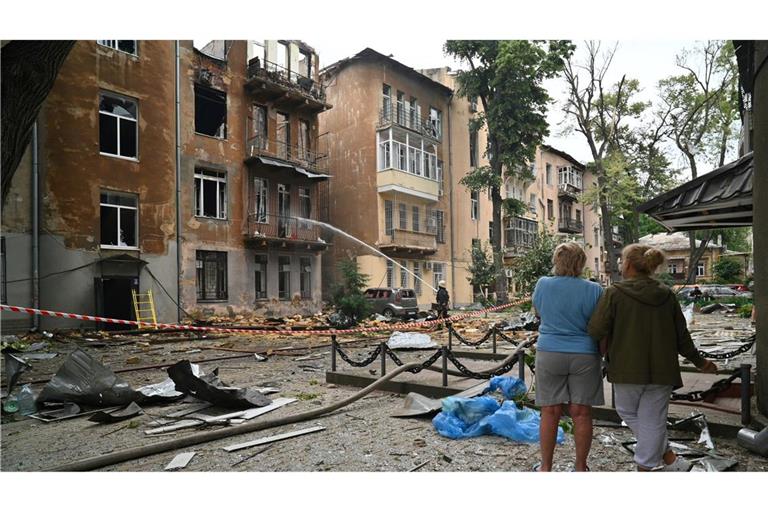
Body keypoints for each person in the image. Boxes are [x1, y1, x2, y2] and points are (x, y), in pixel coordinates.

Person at [588, 244, 717, 472]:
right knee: (653, 419)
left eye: (621, 260)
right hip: (662, 370)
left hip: (626, 368)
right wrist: (701, 362)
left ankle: (646, 467)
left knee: (628, 413)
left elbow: (596, 330)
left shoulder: (614, 293)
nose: (619, 264)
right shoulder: (667, 294)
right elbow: (682, 336)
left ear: (628, 264)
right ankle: (667, 456)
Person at [532, 243, 604, 472]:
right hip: (584, 353)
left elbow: (538, 313)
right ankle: (581, 466)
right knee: (581, 413)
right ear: (581, 263)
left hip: (549, 351)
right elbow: (599, 324)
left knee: (549, 411)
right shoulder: (594, 289)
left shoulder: (543, 284)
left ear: (557, 261)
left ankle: (546, 467)